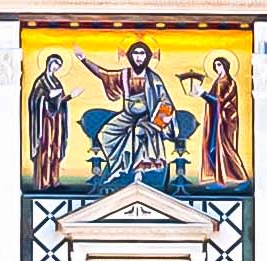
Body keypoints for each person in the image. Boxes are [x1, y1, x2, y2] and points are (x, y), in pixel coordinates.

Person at [75, 41, 188, 185]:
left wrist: (158, 122)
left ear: (147, 57)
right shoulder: (124, 75)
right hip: (128, 115)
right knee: (105, 133)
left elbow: (165, 101)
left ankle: (139, 172)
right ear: (130, 56)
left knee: (140, 131)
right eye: (135, 53)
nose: (138, 57)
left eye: (142, 54)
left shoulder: (153, 79)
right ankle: (118, 167)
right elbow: (103, 74)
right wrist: (84, 60)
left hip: (148, 116)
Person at [182, 54, 247, 187]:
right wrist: (201, 95)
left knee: (225, 150)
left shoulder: (229, 82)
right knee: (212, 149)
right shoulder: (217, 81)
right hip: (215, 120)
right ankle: (219, 178)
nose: (217, 68)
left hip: (224, 121)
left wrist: (203, 94)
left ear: (225, 66)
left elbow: (222, 102)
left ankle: (240, 178)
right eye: (216, 65)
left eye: (219, 65)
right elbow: (212, 100)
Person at [26, 53, 72, 189]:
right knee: (45, 147)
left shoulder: (57, 82)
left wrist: (69, 96)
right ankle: (43, 182)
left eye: (58, 66)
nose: (55, 68)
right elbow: (34, 99)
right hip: (44, 120)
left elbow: (60, 101)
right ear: (48, 63)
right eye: (54, 64)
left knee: (56, 147)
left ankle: (54, 180)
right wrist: (46, 97)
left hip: (57, 120)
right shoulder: (41, 81)